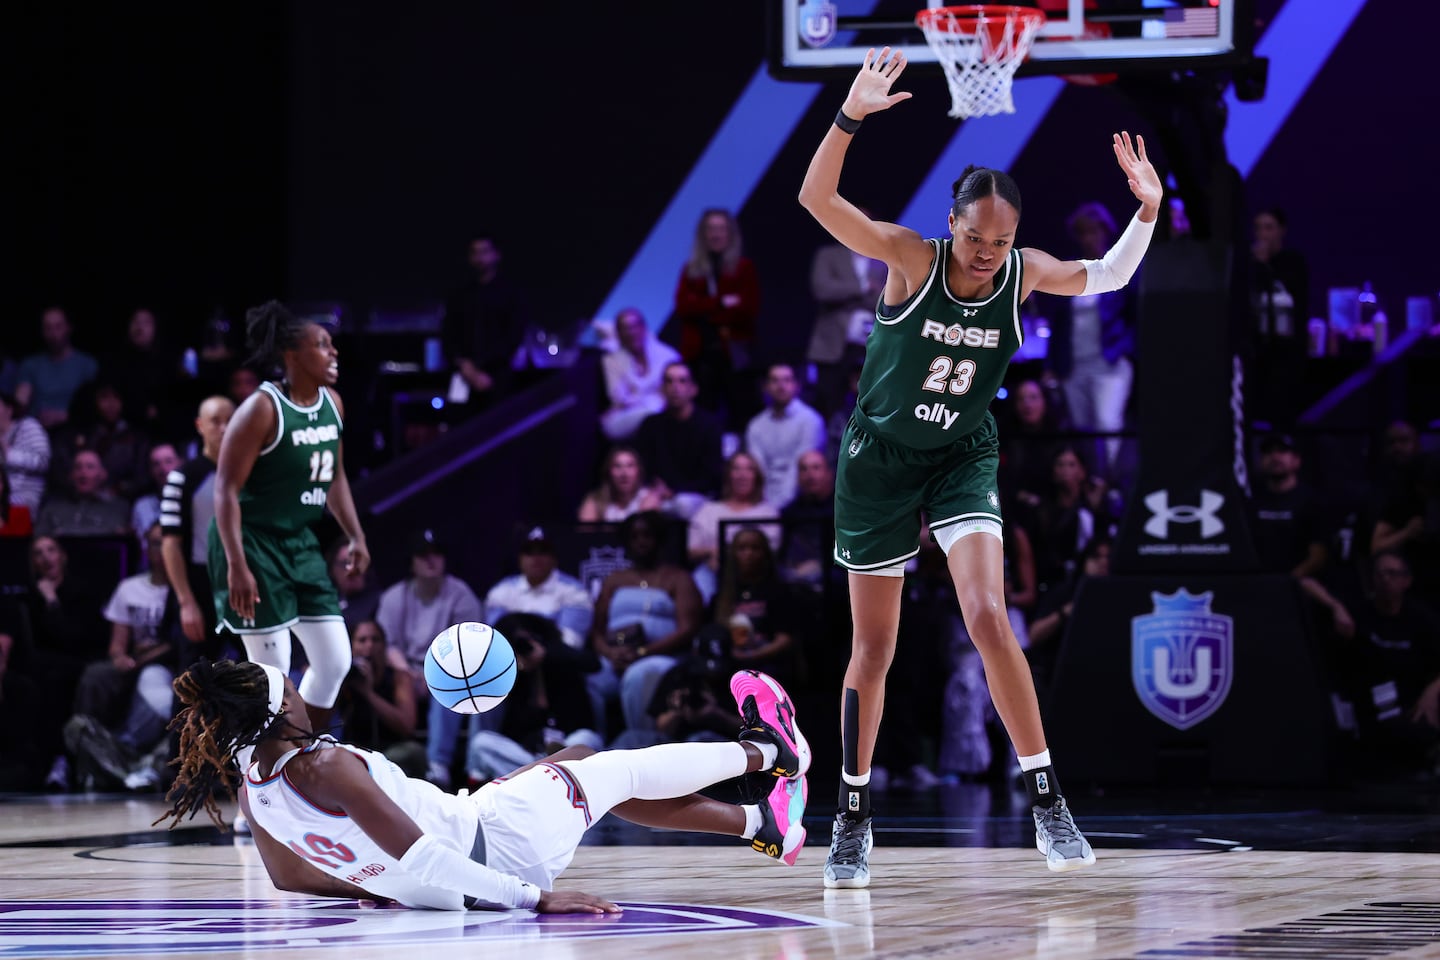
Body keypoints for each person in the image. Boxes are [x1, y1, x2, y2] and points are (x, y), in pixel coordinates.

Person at [798, 47, 1161, 884]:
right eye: (975, 237)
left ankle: (1045, 800)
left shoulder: (1023, 274)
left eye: (1000, 241)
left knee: (990, 618)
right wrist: (851, 114)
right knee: (874, 649)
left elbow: (1105, 277)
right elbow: (816, 198)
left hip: (962, 453)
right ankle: (853, 812)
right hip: (882, 461)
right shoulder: (909, 258)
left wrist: (1145, 211)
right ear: (950, 223)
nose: (987, 253)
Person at [157, 659, 813, 907]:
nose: (304, 695)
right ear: (281, 710)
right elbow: (421, 854)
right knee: (619, 769)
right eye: (295, 689)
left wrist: (378, 886)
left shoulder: (253, 785)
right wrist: (532, 900)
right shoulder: (324, 765)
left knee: (577, 755)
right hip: (496, 849)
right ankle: (766, 752)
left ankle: (764, 827)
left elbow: (289, 879)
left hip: (464, 839)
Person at [209, 301, 369, 736]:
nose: (333, 352)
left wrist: (355, 535)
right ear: (292, 355)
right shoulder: (262, 408)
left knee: (335, 661)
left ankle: (300, 755)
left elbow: (334, 476)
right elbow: (223, 490)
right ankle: (256, 788)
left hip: (299, 542)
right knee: (273, 674)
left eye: (333, 345)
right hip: (253, 543)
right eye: (322, 345)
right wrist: (237, 566)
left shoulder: (333, 403)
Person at [374, 527, 483, 789]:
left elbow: (469, 642)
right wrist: (406, 670)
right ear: (412, 562)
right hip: (406, 672)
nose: (431, 560)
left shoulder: (460, 594)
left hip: (448, 669)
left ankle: (438, 765)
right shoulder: (394, 597)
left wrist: (434, 672)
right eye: (424, 555)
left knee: (452, 684)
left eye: (437, 554)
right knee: (398, 680)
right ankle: (390, 762)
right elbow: (387, 644)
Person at [1044, 202, 1137, 479]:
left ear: (1105, 232)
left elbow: (1135, 316)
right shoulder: (1069, 270)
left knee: (1107, 423)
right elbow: (1058, 326)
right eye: (1082, 233)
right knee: (1081, 428)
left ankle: (1107, 482)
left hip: (1110, 365)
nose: (1088, 238)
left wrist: (1125, 350)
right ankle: (1088, 486)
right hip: (1074, 367)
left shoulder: (1123, 269)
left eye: (1093, 231)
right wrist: (1051, 364)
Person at [159, 395, 235, 670]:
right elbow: (170, 543)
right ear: (200, 425)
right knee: (194, 682)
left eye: (230, 420)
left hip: (246, 586)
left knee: (264, 678)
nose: (225, 428)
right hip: (200, 585)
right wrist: (186, 601)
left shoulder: (252, 474)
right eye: (216, 421)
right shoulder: (183, 477)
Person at [670, 208, 762, 423]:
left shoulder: (743, 268)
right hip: (700, 355)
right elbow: (683, 307)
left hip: (735, 354)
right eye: (710, 229)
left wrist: (704, 309)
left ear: (730, 233)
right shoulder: (691, 269)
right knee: (702, 413)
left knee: (743, 412)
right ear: (703, 234)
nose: (716, 234)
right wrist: (722, 303)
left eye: (721, 228)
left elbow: (748, 308)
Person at [806, 218, 886, 419]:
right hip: (833, 347)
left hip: (871, 347)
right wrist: (862, 288)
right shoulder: (829, 255)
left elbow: (889, 299)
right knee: (828, 403)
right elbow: (822, 289)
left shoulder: (884, 259)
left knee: (870, 407)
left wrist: (844, 294)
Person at [441, 234, 529, 411]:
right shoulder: (461, 296)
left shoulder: (510, 294)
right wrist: (466, 368)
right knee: (462, 428)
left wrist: (487, 370)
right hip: (464, 376)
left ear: (496, 255)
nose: (480, 257)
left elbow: (513, 335)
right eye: (475, 253)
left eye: (485, 252)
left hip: (498, 377)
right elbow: (448, 334)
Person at [632, 361, 725, 520]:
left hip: (696, 496)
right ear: (662, 389)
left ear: (693, 389)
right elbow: (642, 466)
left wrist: (673, 490)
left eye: (682, 381)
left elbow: (712, 476)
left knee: (682, 504)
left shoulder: (709, 426)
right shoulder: (650, 425)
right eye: (669, 381)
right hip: (657, 493)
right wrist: (656, 488)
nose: (675, 387)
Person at [743, 363, 827, 509]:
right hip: (762, 499)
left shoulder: (810, 420)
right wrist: (765, 505)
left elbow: (800, 467)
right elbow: (758, 469)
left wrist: (778, 505)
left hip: (800, 498)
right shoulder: (755, 425)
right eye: (775, 380)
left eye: (787, 380)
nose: (781, 386)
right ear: (766, 387)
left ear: (796, 386)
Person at [598, 307, 681, 442]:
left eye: (634, 326)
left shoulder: (667, 355)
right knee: (647, 414)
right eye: (624, 328)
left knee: (656, 413)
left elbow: (672, 392)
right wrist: (648, 399)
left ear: (643, 327)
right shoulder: (612, 360)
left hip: (664, 412)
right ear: (618, 333)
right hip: (629, 415)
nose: (630, 332)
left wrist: (638, 396)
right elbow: (618, 397)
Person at [14, 307, 98, 429]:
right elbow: (20, 402)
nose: (53, 333)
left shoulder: (86, 364)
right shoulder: (30, 365)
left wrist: (66, 416)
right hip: (37, 430)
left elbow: (95, 406)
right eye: (48, 328)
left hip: (75, 429)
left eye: (58, 327)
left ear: (69, 328)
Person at [576, 445, 665, 523]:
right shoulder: (596, 500)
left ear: (638, 471)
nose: (624, 474)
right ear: (608, 472)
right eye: (617, 466)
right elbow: (585, 535)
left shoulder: (648, 499)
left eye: (630, 466)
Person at [0, 390, 51, 512]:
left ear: (9, 410)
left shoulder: (27, 426)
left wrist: (8, 453)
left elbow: (43, 462)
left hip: (25, 495)